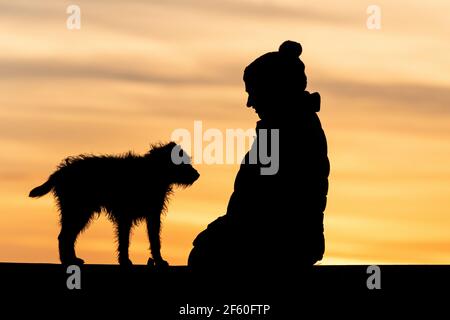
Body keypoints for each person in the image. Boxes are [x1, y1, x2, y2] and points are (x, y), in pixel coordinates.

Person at [188, 40, 329, 273]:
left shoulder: (288, 130)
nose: (249, 102)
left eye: (253, 92)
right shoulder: (287, 126)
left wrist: (227, 229)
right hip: (279, 242)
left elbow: (266, 203)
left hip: (278, 246)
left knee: (205, 255)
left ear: (273, 89)